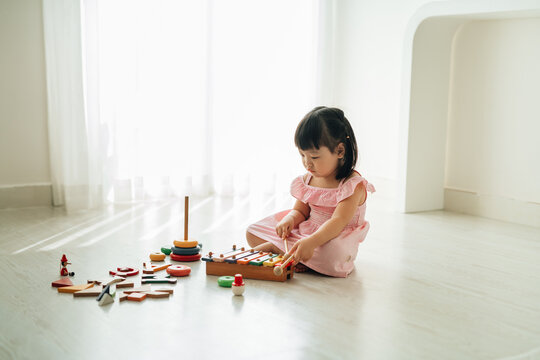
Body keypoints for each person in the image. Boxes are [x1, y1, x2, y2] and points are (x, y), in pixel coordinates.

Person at [246, 106, 375, 277]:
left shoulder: (352, 185)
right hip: (305, 232)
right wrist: (290, 219)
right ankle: (294, 254)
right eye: (302, 155)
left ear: (340, 151)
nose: (307, 163)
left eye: (314, 157)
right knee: (253, 231)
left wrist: (311, 242)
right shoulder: (309, 179)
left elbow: (338, 221)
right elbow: (300, 210)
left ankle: (289, 252)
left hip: (332, 238)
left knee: (332, 254)